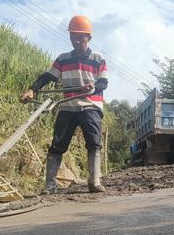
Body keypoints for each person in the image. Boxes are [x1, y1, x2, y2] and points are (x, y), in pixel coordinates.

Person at [20, 15, 108, 193]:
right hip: (67, 105)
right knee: (58, 143)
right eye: (73, 36)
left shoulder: (98, 58)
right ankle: (50, 185)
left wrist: (93, 86)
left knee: (94, 143)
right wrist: (32, 89)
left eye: (80, 37)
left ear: (88, 38)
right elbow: (48, 76)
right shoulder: (63, 59)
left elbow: (103, 83)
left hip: (91, 105)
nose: (76, 40)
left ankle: (94, 182)